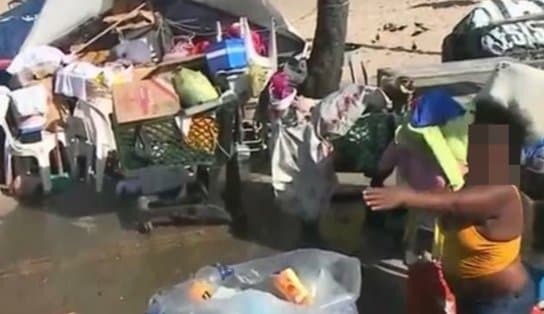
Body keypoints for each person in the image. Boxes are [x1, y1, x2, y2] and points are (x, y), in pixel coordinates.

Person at [363, 123, 536, 314]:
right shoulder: (469, 180)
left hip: (501, 303)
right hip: (471, 298)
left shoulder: (502, 193)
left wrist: (404, 196)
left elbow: (454, 203)